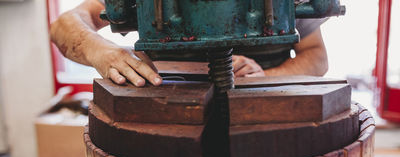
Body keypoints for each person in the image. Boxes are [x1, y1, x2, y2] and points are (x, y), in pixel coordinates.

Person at [50, 0, 328, 87]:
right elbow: (63, 26)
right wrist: (102, 50)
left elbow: (316, 56)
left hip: (266, 107)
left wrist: (264, 78)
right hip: (169, 103)